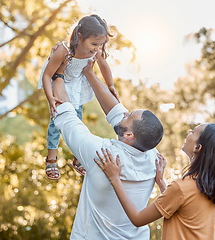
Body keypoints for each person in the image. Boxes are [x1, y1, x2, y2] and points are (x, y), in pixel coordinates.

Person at [50, 57, 164, 239]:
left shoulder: (103, 155)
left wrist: (57, 74)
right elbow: (115, 110)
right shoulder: (152, 154)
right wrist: (89, 73)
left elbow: (65, 115)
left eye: (130, 116)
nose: (125, 113)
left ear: (129, 135)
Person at [95, 123, 215, 240]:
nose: (189, 131)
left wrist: (115, 179)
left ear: (198, 148)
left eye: (193, 131)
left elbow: (137, 219)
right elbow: (184, 209)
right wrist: (161, 182)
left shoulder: (182, 187)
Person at [38, 14, 119, 180]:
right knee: (56, 120)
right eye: (94, 44)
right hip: (58, 81)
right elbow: (47, 75)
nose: (97, 48)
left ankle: (77, 157)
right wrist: (50, 98)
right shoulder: (64, 51)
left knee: (78, 120)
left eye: (100, 44)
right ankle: (51, 158)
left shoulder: (94, 51)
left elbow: (103, 65)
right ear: (80, 37)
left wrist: (110, 85)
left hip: (76, 85)